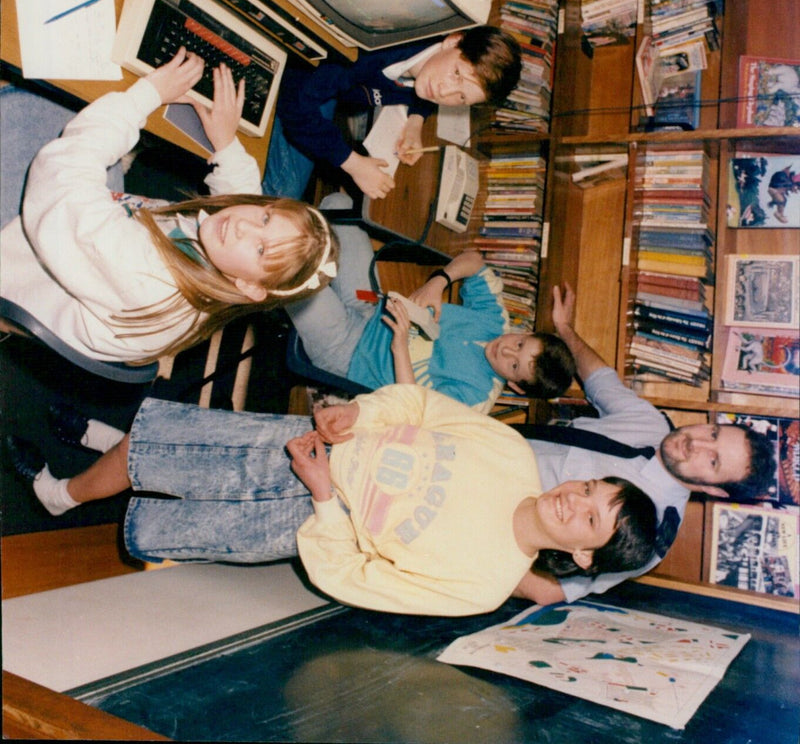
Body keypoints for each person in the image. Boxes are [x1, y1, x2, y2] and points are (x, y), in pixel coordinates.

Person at [6, 383, 656, 617]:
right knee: (160, 446)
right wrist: (357, 413)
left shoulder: (483, 586)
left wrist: (323, 500)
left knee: (156, 491)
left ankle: (78, 475)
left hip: (294, 516)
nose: (576, 498)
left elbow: (355, 579)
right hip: (303, 442)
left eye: (591, 518)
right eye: (592, 487)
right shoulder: (513, 455)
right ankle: (68, 484)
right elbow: (420, 405)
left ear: (581, 553)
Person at [0, 50, 337, 364]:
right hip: (96, 238)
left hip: (25, 246)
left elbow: (59, 179)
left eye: (262, 249)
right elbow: (245, 195)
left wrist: (146, 96)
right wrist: (227, 143)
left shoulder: (147, 280)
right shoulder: (224, 274)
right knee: (99, 126)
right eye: (265, 217)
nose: (243, 225)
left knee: (43, 101)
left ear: (251, 287)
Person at [512, 283, 776, 606]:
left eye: (714, 462)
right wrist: (565, 330)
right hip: (486, 444)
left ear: (716, 491)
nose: (698, 444)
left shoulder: (648, 536)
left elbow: (548, 589)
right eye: (714, 434)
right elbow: (599, 378)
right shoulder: (653, 422)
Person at [286, 203, 575, 411]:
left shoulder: (475, 396)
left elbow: (413, 409)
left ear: (515, 386)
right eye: (521, 343)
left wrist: (400, 345)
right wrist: (440, 281)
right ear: (527, 331)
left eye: (514, 365)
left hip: (350, 353)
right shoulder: (495, 321)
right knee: (338, 206)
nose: (507, 349)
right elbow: (475, 260)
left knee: (295, 270)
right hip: (370, 306)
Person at [262, 25, 521, 201]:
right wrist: (353, 164)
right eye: (456, 74)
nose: (445, 92)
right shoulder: (370, 55)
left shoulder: (430, 75)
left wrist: (415, 122)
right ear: (453, 40)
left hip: (328, 89)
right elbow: (296, 105)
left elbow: (428, 96)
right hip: (299, 76)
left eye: (462, 97)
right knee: (281, 196)